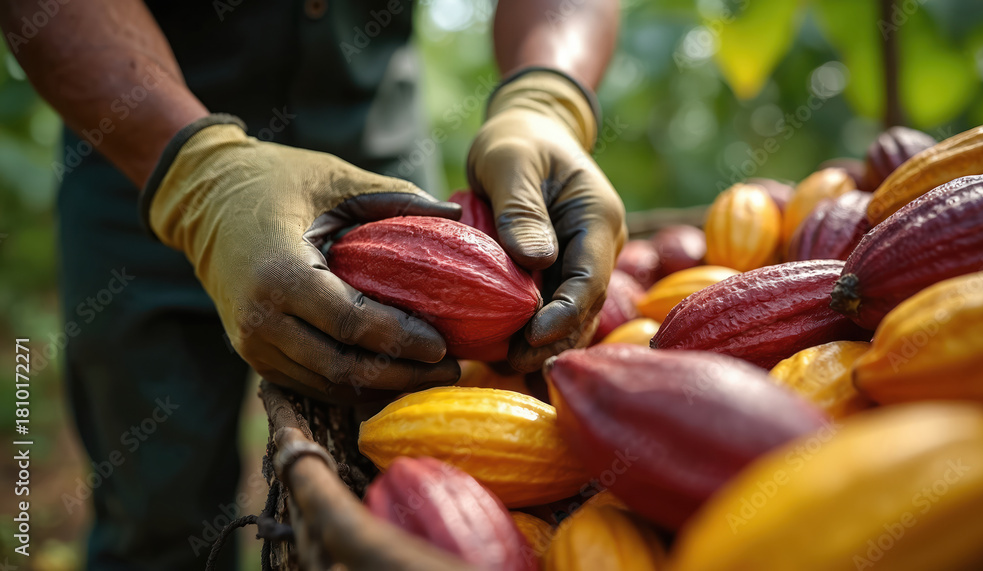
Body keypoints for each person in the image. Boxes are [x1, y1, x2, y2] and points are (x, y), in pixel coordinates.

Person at [0, 0, 625, 568]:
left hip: (378, 171)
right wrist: (197, 174)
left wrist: (546, 97)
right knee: (155, 508)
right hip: (143, 151)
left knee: (391, 484)